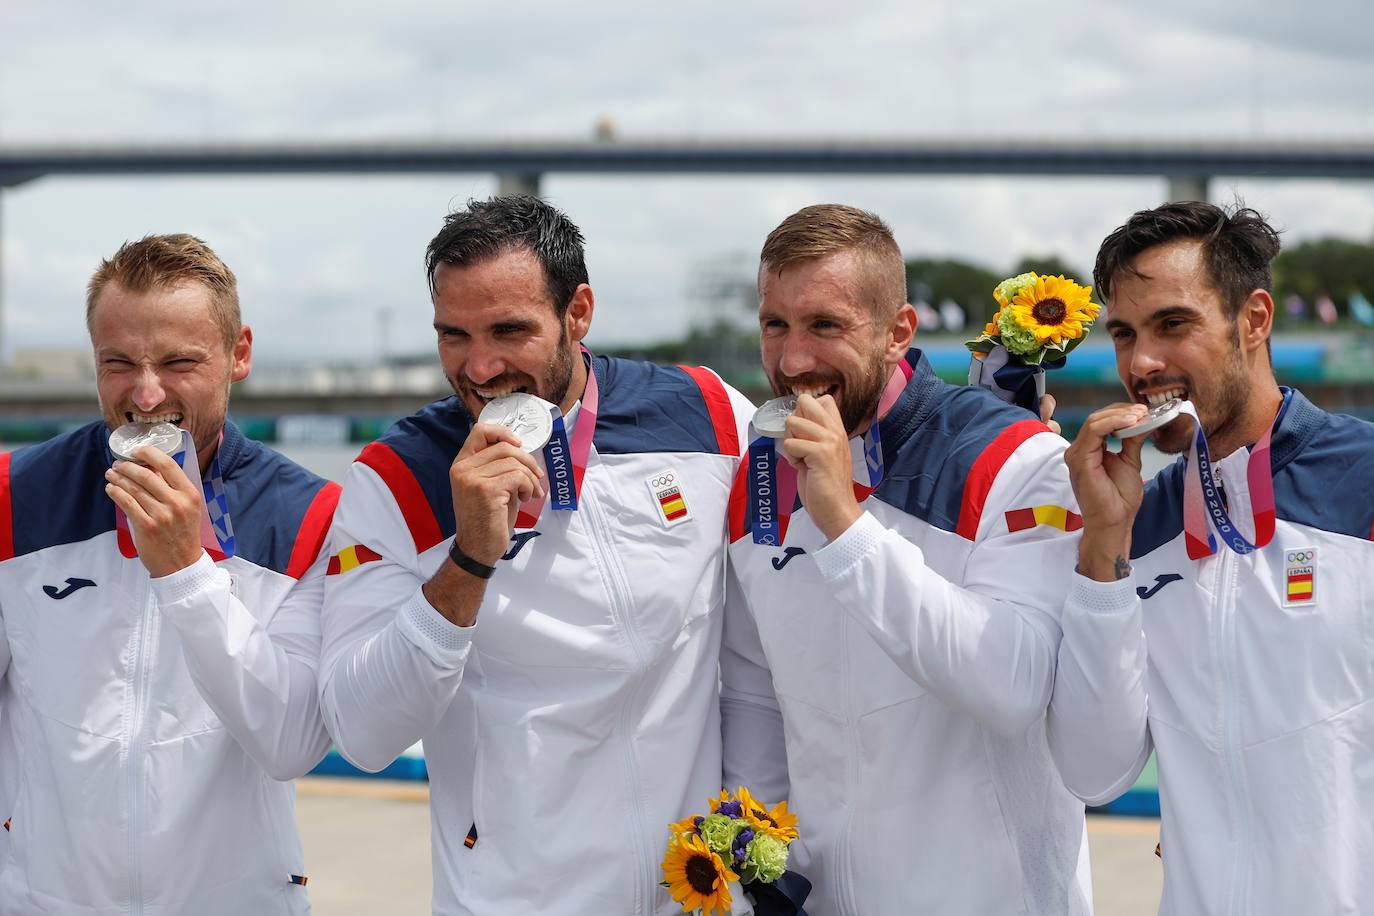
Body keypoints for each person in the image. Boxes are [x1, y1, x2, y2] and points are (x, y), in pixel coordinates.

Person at [318, 195, 760, 915]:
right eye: (453, 335)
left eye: (509, 331)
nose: (480, 367)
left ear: (578, 312)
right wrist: (467, 561)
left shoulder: (707, 413)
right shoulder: (393, 479)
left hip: (700, 893)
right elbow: (363, 733)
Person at [723, 203, 1099, 914]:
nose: (793, 361)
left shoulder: (1017, 456)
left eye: (825, 325)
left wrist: (841, 521)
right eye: (776, 325)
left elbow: (1013, 688)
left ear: (898, 332)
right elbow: (750, 692)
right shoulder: (759, 476)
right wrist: (754, 871)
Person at [1048, 201, 1374, 915]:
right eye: (1124, 335)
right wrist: (1102, 548)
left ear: (1253, 320)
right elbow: (1094, 771)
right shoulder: (1140, 521)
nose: (1142, 364)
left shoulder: (1364, 479)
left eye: (1173, 325)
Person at [0, 234, 338, 915]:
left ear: (238, 353)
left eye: (180, 362)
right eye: (119, 363)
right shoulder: (16, 493)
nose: (147, 395)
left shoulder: (310, 515)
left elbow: (291, 743)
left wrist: (187, 571)